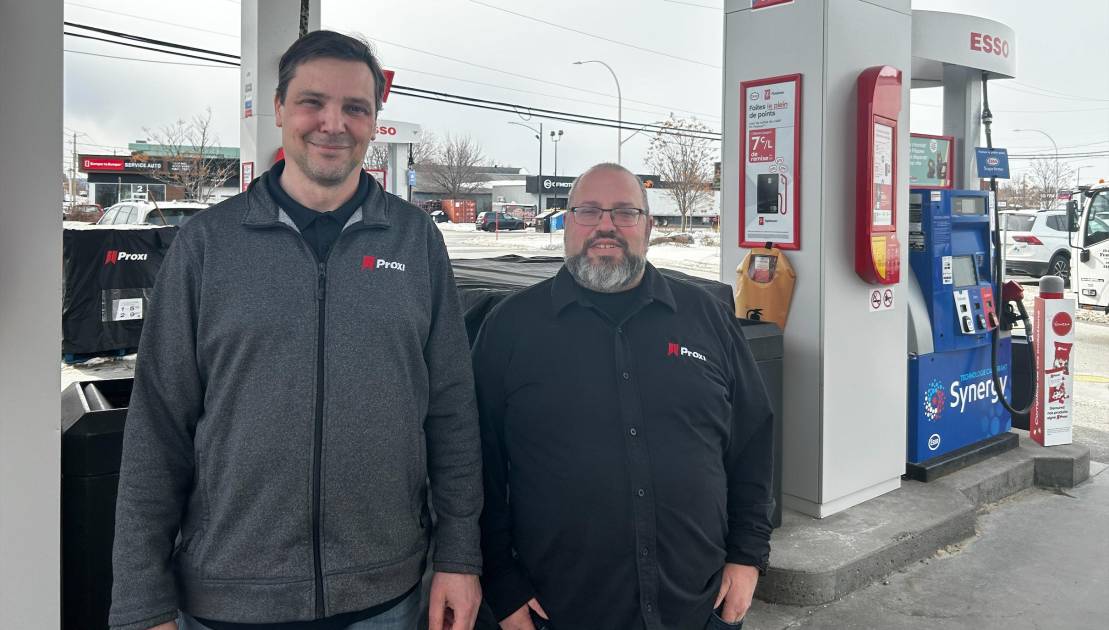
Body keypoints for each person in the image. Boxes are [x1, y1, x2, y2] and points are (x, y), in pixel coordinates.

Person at [109, 31, 482, 630]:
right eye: (313, 102)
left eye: (355, 107)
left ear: (374, 121)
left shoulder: (415, 242)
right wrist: (139, 601)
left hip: (388, 598)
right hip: (229, 600)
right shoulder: (207, 246)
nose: (333, 123)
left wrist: (461, 555)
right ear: (279, 109)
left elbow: (452, 413)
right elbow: (157, 428)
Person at [472, 163, 775, 630]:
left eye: (624, 212)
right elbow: (477, 466)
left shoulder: (706, 318)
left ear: (649, 226)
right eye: (588, 211)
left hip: (699, 606)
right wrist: (502, 584)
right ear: (567, 222)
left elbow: (751, 443)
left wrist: (748, 556)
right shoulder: (511, 328)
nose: (605, 226)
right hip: (558, 612)